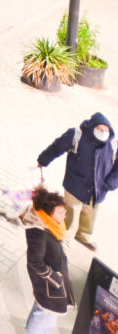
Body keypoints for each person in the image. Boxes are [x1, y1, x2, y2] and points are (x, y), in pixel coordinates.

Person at [37, 113, 118, 252]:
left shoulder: (113, 143)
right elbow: (57, 147)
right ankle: (64, 239)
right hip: (76, 185)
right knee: (71, 214)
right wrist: (43, 160)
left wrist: (110, 184)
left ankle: (83, 235)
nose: (103, 133)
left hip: (98, 189)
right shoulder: (76, 135)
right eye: (100, 129)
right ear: (93, 127)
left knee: (89, 214)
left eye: (106, 130)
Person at [20, 187, 74, 334]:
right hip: (50, 285)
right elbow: (35, 262)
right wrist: (55, 278)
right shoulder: (38, 233)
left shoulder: (50, 224)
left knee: (45, 312)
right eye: (60, 212)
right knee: (43, 313)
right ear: (48, 214)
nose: (64, 215)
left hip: (52, 286)